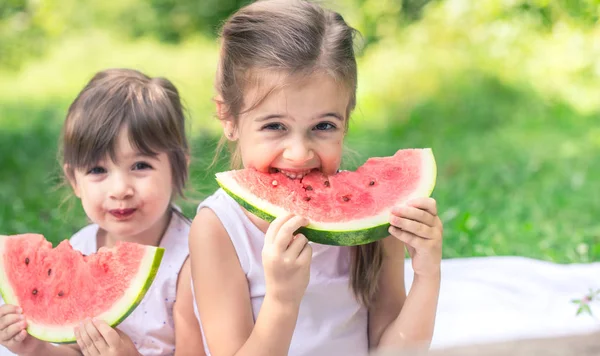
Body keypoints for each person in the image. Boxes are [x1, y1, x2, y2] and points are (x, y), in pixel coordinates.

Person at [188, 1, 444, 355]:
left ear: (346, 118)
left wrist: (428, 274)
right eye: (275, 126)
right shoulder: (219, 228)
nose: (299, 153)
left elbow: (397, 351)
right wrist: (282, 300)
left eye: (323, 126)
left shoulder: (376, 219)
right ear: (228, 118)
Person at [0, 68, 204, 356]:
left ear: (178, 168)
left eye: (140, 166)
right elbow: (74, 351)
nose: (120, 189)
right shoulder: (82, 248)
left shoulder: (193, 260)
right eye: (98, 170)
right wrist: (37, 348)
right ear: (74, 181)